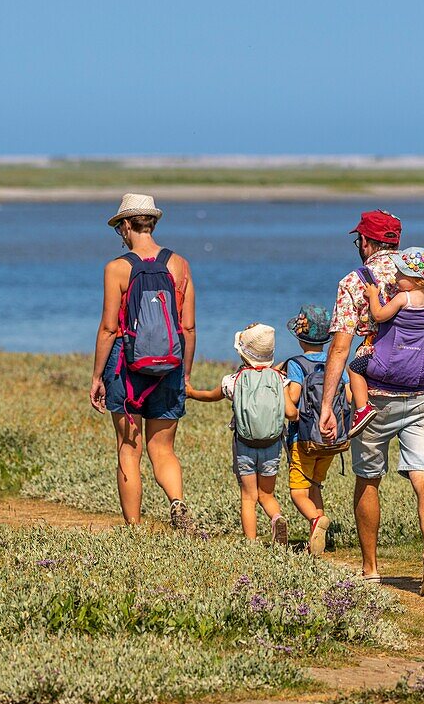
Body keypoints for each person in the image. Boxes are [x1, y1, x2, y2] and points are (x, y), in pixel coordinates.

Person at [319, 210, 424, 597]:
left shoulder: (355, 281)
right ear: (396, 242)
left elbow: (340, 347)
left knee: (368, 478)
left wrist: (326, 405)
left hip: (377, 395)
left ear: (366, 243)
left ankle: (370, 570)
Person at [89, 194, 197, 530]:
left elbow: (109, 328)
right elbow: (188, 327)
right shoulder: (179, 264)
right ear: (152, 223)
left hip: (126, 368)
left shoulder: (117, 269)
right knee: (163, 450)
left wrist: (97, 377)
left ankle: (134, 529)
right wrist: (185, 373)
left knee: (128, 449)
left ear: (124, 226)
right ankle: (177, 503)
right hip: (171, 367)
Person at [186, 323, 292, 544]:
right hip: (272, 446)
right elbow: (290, 412)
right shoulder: (279, 379)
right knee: (267, 494)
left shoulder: (233, 381)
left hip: (244, 445)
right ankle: (277, 517)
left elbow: (211, 396)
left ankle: (251, 544)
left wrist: (192, 393)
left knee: (248, 496)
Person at [350, 248, 424, 449]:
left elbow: (378, 315)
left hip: (385, 365)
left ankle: (362, 409)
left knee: (354, 368)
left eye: (400, 274)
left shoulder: (403, 298)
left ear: (416, 280)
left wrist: (374, 295)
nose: (395, 276)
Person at [283, 305, 352, 555]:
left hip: (303, 439)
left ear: (301, 339)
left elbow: (293, 399)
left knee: (298, 492)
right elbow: (350, 396)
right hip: (331, 440)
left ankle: (316, 521)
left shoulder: (296, 364)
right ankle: (318, 539)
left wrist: (281, 391)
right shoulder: (337, 362)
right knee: (316, 486)